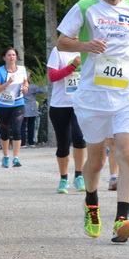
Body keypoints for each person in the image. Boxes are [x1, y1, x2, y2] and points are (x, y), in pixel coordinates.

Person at [56, 0, 129, 244]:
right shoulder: (85, 7)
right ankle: (92, 204)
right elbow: (61, 41)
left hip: (128, 92)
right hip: (94, 94)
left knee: (127, 150)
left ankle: (122, 218)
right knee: (95, 159)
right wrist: (85, 46)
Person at [45, 45, 88, 193]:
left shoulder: (86, 49)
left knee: (79, 137)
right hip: (60, 104)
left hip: (80, 103)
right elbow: (52, 76)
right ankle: (63, 178)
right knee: (63, 143)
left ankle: (79, 176)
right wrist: (73, 66)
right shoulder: (58, 51)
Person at [0, 46, 29, 167]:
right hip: (4, 104)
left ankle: (16, 158)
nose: (11, 57)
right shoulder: (0, 71)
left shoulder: (22, 69)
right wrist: (8, 83)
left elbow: (26, 83)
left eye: (13, 55)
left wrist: (25, 88)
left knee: (17, 129)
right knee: (5, 130)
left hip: (18, 102)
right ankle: (6, 156)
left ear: (16, 57)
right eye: (9, 55)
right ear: (4, 58)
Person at [21, 80, 43, 147]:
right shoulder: (32, 86)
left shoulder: (19, 86)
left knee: (22, 126)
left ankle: (23, 143)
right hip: (31, 108)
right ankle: (31, 142)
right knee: (31, 125)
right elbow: (41, 91)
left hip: (22, 107)